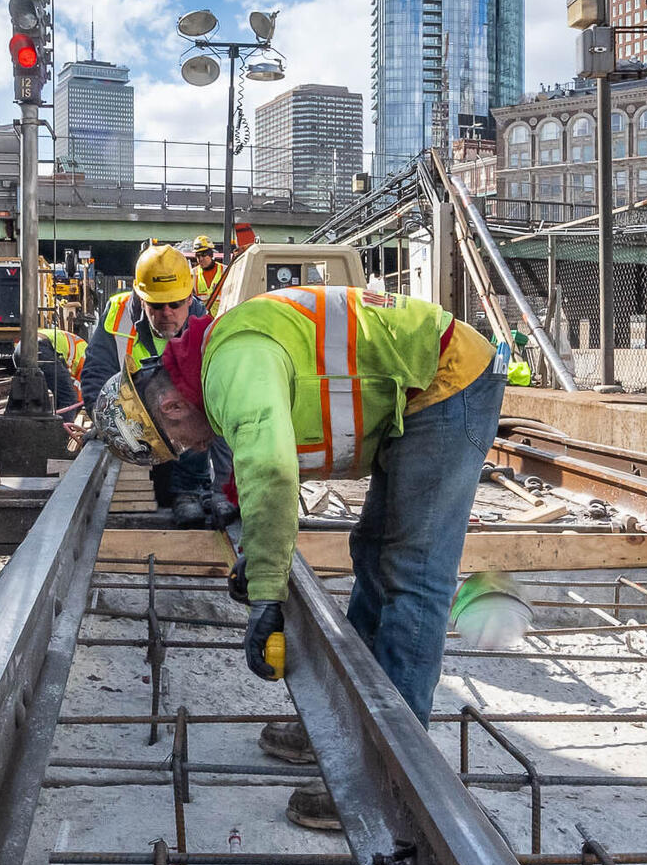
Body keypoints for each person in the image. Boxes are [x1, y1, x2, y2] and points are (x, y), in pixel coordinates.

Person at [89, 284, 504, 830]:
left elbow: (273, 470)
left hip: (446, 384)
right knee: (373, 553)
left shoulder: (232, 364)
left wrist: (267, 593)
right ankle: (347, 723)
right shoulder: (217, 363)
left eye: (177, 444)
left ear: (169, 404)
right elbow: (256, 445)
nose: (189, 451)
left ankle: (393, 773)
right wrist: (258, 551)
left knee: (413, 574)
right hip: (422, 383)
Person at [80, 244, 220, 514]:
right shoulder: (117, 313)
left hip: (180, 436)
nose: (166, 312)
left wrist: (219, 485)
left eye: (175, 304)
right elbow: (96, 375)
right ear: (140, 297)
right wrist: (108, 423)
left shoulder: (204, 325)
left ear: (190, 298)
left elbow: (215, 408)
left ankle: (188, 491)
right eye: (156, 305)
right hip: (134, 422)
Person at [38, 323, 86, 415]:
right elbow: (78, 400)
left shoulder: (82, 349)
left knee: (51, 397)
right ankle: (62, 429)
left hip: (22, 348)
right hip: (42, 348)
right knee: (69, 398)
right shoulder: (87, 360)